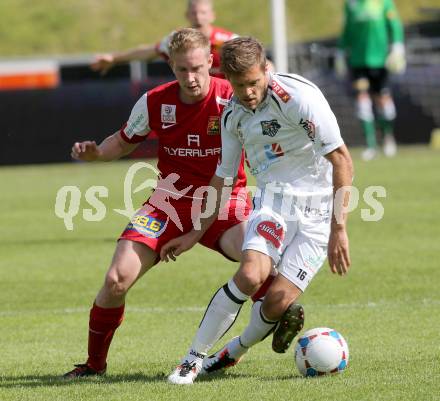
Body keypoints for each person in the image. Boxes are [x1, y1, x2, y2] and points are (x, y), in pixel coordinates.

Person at [63, 28, 258, 379]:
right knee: (116, 280)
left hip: (226, 200)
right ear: (170, 66)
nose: (191, 77)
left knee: (258, 267)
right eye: (182, 69)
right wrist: (96, 154)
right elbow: (121, 142)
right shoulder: (156, 102)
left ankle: (235, 347)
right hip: (168, 203)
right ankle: (94, 366)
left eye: (197, 68)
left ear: (210, 62)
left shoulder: (232, 97)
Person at [160, 36, 354, 385]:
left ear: (267, 69)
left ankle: (231, 352)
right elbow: (221, 178)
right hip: (273, 204)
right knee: (250, 275)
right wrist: (195, 233)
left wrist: (339, 230)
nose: (248, 91)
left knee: (276, 303)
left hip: (320, 213)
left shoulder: (299, 99)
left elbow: (341, 159)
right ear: (228, 80)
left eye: (253, 82)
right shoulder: (232, 115)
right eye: (239, 85)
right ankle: (191, 360)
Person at [335, 0, 405, 161]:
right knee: (362, 99)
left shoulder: (384, 3)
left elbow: (394, 25)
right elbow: (347, 30)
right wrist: (340, 52)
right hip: (358, 62)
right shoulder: (351, 4)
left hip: (380, 61)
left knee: (383, 100)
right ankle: (370, 145)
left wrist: (397, 46)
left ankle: (388, 138)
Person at [91, 0, 237, 78]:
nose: (198, 17)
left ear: (212, 15)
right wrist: (114, 58)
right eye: (194, 13)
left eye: (203, 13)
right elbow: (148, 52)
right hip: (193, 100)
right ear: (187, 15)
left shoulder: (228, 40)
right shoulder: (178, 39)